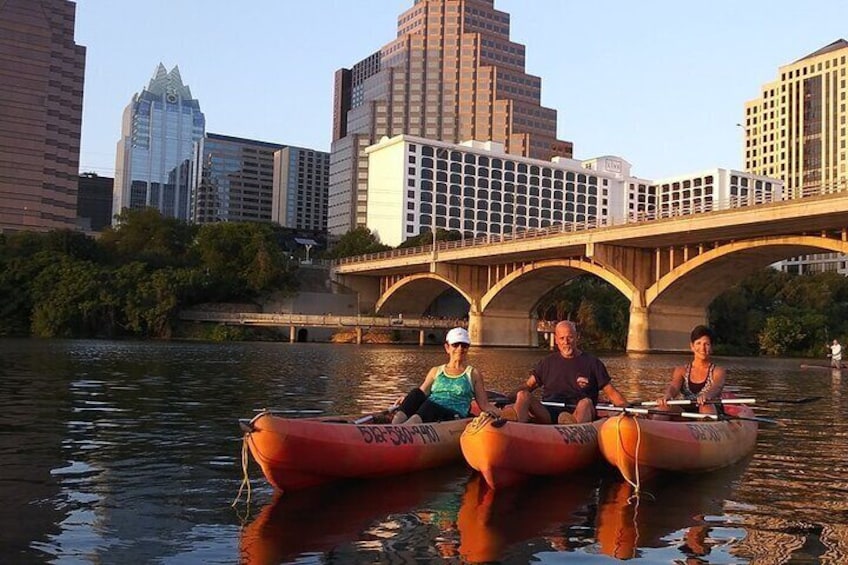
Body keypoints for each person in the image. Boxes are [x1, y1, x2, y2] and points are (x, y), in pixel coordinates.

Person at [507, 320, 629, 424]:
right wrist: (507, 399)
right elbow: (528, 386)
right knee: (523, 395)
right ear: (556, 340)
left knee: (585, 403)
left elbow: (611, 393)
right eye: (562, 338)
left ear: (577, 337)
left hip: (578, 411)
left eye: (570, 337)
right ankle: (511, 425)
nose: (566, 342)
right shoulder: (547, 362)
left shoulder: (592, 363)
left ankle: (572, 428)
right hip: (549, 412)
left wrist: (626, 409)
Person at [392, 327, 500, 424]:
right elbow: (421, 393)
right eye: (455, 345)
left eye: (464, 345)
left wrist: (499, 414)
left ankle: (403, 431)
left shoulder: (473, 374)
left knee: (430, 407)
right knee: (415, 393)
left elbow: (484, 405)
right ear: (447, 347)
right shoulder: (436, 371)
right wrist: (407, 399)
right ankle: (393, 427)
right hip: (430, 410)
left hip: (453, 417)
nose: (460, 349)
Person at [657, 325, 726, 415]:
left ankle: (705, 426)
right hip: (687, 411)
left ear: (711, 348)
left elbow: (716, 387)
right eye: (698, 343)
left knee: (705, 405)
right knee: (665, 407)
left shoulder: (718, 371)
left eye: (707, 344)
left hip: (710, 408)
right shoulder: (681, 370)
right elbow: (674, 387)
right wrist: (668, 395)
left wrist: (707, 396)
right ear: (692, 346)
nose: (702, 348)